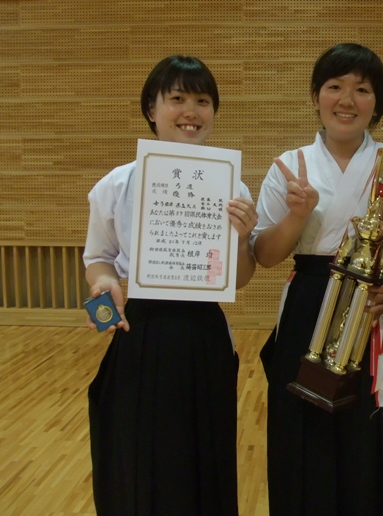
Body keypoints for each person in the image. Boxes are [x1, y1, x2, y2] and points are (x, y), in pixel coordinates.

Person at [250, 43, 383, 515]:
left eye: (362, 89)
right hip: (311, 302)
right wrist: (296, 216)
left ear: (379, 103)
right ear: (316, 97)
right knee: (303, 428)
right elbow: (266, 255)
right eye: (335, 87)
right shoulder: (291, 165)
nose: (347, 99)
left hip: (377, 307)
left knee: (374, 433)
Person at [82, 55, 257, 515]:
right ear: (151, 109)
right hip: (140, 330)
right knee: (138, 452)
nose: (191, 111)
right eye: (177, 98)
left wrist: (242, 241)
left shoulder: (233, 187)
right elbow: (97, 260)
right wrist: (104, 290)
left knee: (205, 452)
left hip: (204, 334)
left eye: (202, 100)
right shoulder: (116, 185)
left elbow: (237, 280)